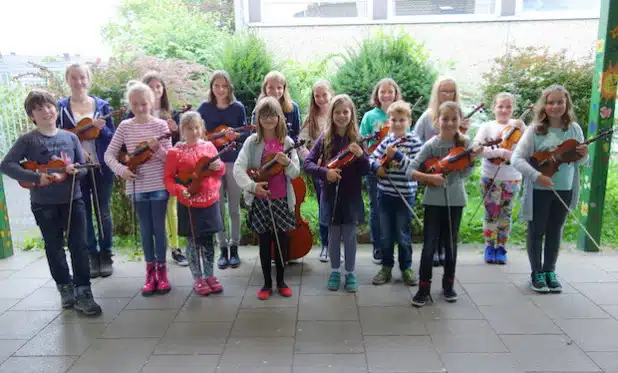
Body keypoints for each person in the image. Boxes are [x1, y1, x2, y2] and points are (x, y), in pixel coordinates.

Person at [1, 89, 102, 316]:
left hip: (72, 200)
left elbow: (82, 169)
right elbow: (7, 165)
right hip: (44, 203)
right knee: (54, 247)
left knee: (79, 245)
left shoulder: (70, 137)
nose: (46, 111)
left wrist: (77, 171)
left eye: (49, 106)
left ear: (56, 110)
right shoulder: (28, 140)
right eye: (39, 108)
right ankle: (65, 287)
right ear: (32, 116)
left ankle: (84, 291)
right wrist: (37, 178)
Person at [511, 84, 588, 294]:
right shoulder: (534, 130)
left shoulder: (574, 129)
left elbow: (578, 162)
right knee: (537, 231)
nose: (555, 106)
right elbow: (516, 159)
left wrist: (584, 155)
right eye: (551, 102)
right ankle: (536, 272)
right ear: (544, 105)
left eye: (560, 102)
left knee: (556, 230)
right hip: (539, 190)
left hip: (564, 188)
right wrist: (538, 176)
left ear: (567, 104)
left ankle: (550, 271)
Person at [234, 97, 300, 300]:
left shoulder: (286, 142)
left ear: (279, 118)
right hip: (262, 200)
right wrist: (253, 186)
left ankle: (281, 281)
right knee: (264, 243)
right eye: (264, 115)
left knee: (281, 243)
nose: (269, 119)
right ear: (258, 118)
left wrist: (287, 161)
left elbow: (296, 172)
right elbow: (238, 169)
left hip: (281, 199)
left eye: (273, 115)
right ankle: (266, 283)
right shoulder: (252, 142)